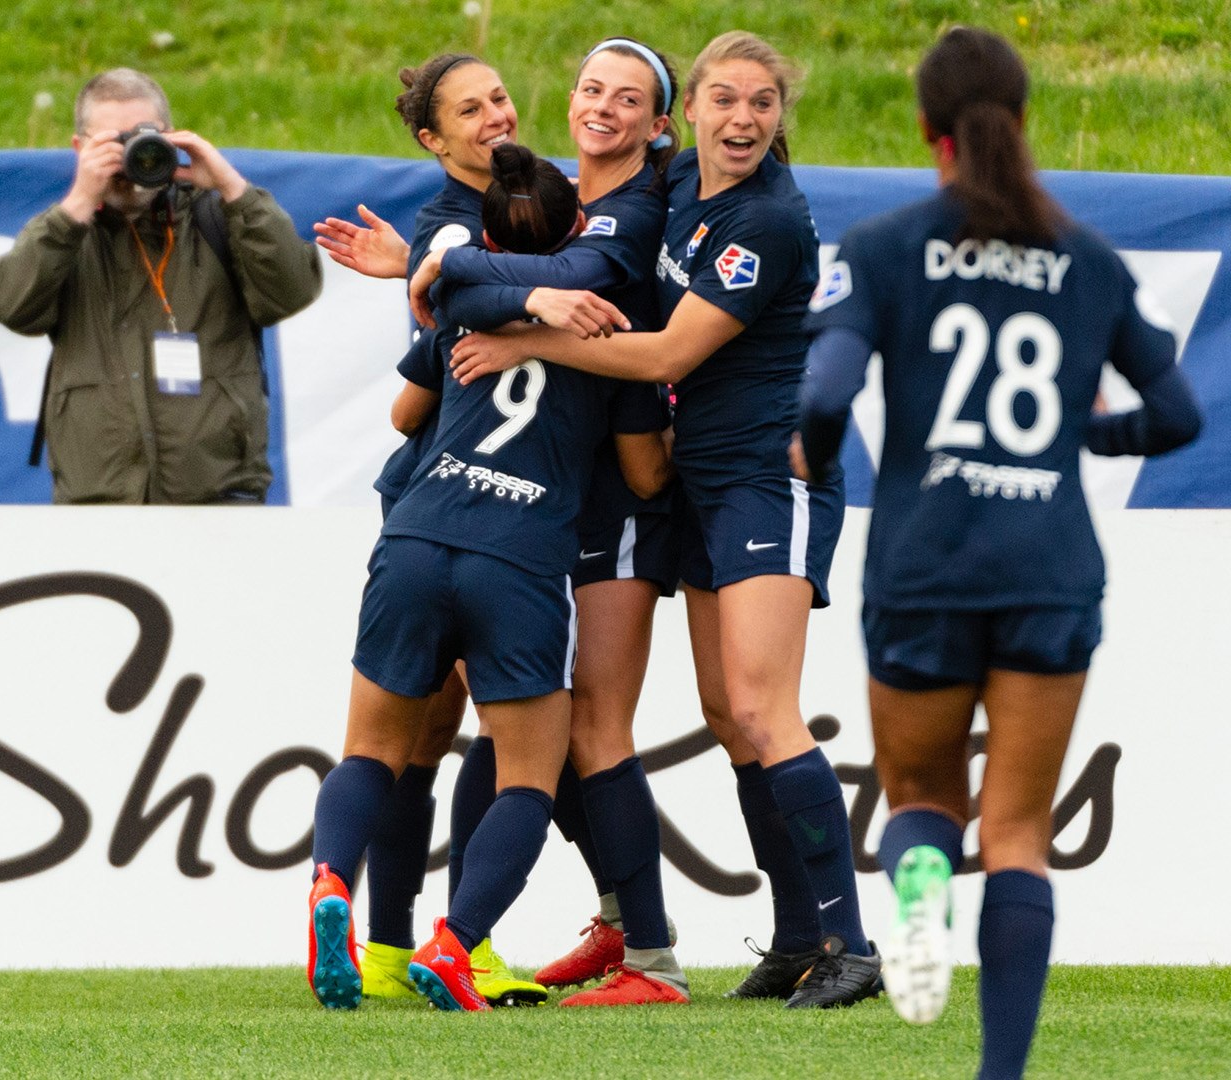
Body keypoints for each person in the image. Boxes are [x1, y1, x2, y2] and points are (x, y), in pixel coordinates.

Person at [793, 27, 1202, 1078]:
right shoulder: (1086, 259)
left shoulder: (885, 247)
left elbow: (828, 388)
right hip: (1046, 563)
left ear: (928, 132)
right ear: (1019, 124)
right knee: (1018, 832)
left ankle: (919, 885)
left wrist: (815, 452)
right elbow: (1177, 412)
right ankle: (1001, 1073)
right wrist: (1086, 435)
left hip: (925, 562)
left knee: (923, 798)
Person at [448, 30, 880, 1009]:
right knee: (730, 718)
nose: (742, 119)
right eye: (724, 99)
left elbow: (667, 357)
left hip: (773, 478)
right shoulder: (681, 183)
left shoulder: (769, 218)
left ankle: (850, 945)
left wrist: (526, 340)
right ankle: (797, 937)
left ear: (780, 116)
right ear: (689, 113)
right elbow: (572, 192)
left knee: (767, 709)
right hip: (699, 482)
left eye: (761, 103)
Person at [305, 143, 672, 1013]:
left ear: (491, 241)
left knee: (371, 752)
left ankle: (329, 886)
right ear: (581, 229)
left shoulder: (465, 308)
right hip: (521, 557)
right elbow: (646, 476)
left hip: (419, 537)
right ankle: (455, 943)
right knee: (527, 778)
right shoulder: (609, 322)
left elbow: (402, 415)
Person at [411, 36, 689, 1007]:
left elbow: (554, 285)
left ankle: (651, 959)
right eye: (588, 88)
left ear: (660, 126)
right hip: (539, 513)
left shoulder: (634, 211)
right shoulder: (568, 196)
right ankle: (566, 935)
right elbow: (476, 288)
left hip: (610, 505)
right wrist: (459, 282)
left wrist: (487, 303)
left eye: (627, 97)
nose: (600, 106)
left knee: (593, 728)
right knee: (524, 730)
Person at [311, 52, 547, 1008]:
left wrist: (411, 274)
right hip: (483, 504)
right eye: (469, 110)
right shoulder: (454, 222)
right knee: (481, 727)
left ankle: (384, 939)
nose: (495, 116)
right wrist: (423, 267)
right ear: (432, 139)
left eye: (498, 98)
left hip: (427, 500)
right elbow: (467, 286)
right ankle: (452, 944)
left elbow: (414, 393)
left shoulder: (522, 203)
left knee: (417, 732)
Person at [0, 67, 321, 504]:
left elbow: (292, 291)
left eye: (142, 139)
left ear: (171, 139)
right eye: (112, 143)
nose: (131, 158)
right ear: (79, 148)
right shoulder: (65, 233)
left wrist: (233, 189)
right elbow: (14, 307)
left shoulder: (219, 218)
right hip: (97, 500)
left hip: (219, 497)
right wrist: (76, 206)